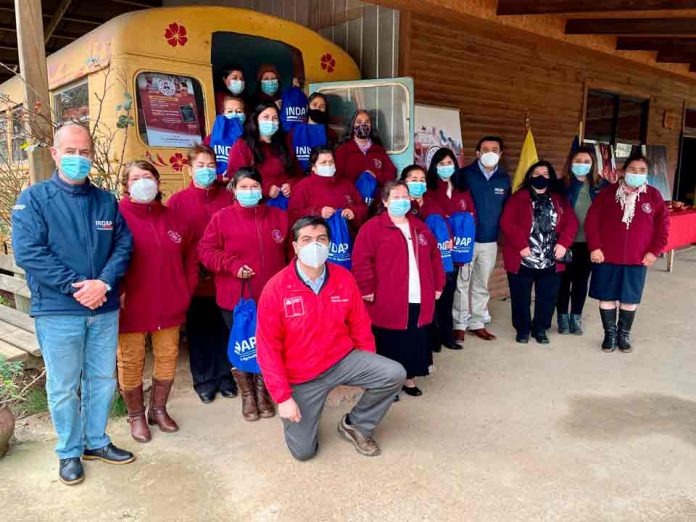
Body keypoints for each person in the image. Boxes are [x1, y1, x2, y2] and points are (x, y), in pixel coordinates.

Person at [12, 123, 134, 486]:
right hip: (59, 309)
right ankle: (68, 451)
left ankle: (96, 441)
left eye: (84, 153)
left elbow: (123, 246)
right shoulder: (34, 199)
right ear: (55, 154)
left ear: (92, 155)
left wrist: (104, 283)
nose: (78, 159)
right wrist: (76, 286)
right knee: (64, 385)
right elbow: (29, 252)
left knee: (100, 377)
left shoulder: (105, 201)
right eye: (71, 152)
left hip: (103, 307)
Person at [256, 216, 406, 461]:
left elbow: (359, 324)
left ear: (329, 244)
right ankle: (304, 411)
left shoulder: (343, 278)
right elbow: (268, 349)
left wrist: (367, 369)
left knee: (393, 373)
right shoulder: (276, 288)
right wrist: (283, 398)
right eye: (307, 240)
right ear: (295, 246)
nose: (314, 245)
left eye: (321, 239)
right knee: (304, 452)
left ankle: (356, 424)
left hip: (341, 360)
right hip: (301, 376)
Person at [198, 167, 288, 421]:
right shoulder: (222, 218)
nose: (250, 192)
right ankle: (247, 395)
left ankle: (262, 392)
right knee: (243, 344)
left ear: (262, 190)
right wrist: (232, 265)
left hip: (271, 297)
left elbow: (290, 253)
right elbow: (206, 251)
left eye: (254, 187)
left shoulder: (278, 217)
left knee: (269, 345)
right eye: (244, 187)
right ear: (234, 190)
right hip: (236, 297)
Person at [117, 161, 198, 443]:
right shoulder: (117, 216)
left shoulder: (173, 218)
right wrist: (118, 289)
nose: (142, 182)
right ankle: (136, 415)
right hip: (132, 304)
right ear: (126, 185)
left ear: (158, 182)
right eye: (135, 178)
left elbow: (190, 257)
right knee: (131, 360)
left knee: (167, 356)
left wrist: (186, 290)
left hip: (170, 301)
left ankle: (158, 409)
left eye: (147, 176)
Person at [352, 181, 445, 396]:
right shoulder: (372, 228)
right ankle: (387, 385)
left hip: (418, 295)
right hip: (387, 297)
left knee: (414, 338)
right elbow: (361, 260)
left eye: (405, 196)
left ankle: (408, 378)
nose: (402, 201)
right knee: (389, 341)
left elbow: (434, 257)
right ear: (385, 201)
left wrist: (438, 284)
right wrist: (366, 288)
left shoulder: (419, 227)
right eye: (396, 197)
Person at [168, 144, 236, 404]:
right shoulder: (178, 202)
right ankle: (204, 379)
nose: (206, 170)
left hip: (225, 276)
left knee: (225, 329)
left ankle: (226, 376)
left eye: (211, 165)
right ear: (189, 169)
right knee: (200, 330)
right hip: (196, 278)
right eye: (200, 166)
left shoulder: (227, 198)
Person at [585, 154, 669, 353]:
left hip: (637, 258)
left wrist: (653, 252)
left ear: (647, 173)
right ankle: (610, 335)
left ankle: (623, 335)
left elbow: (663, 228)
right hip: (606, 256)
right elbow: (592, 221)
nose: (637, 174)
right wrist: (595, 247)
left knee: (629, 299)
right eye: (632, 169)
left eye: (642, 171)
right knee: (606, 296)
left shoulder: (654, 196)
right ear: (624, 171)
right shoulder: (607, 193)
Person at [500, 161, 578, 344]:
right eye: (536, 173)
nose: (541, 177)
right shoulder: (518, 197)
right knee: (520, 296)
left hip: (551, 258)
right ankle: (523, 329)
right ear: (529, 177)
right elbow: (506, 222)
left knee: (547, 298)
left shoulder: (559, 199)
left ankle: (540, 328)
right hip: (523, 257)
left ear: (551, 177)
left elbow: (571, 223)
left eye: (545, 173)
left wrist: (564, 244)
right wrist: (521, 244)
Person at [452, 136, 511, 341]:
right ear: (477, 153)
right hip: (466, 241)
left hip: (490, 240)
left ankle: (477, 322)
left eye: (494, 149)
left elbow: (507, 210)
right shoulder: (464, 175)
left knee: (481, 284)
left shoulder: (504, 179)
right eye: (485, 149)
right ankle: (459, 323)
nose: (490, 153)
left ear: (500, 154)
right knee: (462, 282)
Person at [424, 149, 476, 349]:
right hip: (437, 251)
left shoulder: (462, 189)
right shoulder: (428, 189)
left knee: (448, 296)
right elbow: (431, 218)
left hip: (457, 253)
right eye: (441, 163)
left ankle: (447, 335)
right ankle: (433, 339)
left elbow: (471, 217)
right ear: (434, 166)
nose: (446, 167)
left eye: (449, 162)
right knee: (434, 296)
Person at [556, 146, 605, 336]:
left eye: (586, 162)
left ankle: (576, 317)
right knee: (562, 281)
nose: (582, 165)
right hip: (564, 242)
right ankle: (562, 317)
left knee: (580, 281)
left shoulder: (601, 186)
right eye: (578, 161)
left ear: (593, 165)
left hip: (589, 244)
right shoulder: (561, 185)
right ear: (571, 162)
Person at [226, 102, 295, 202]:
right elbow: (235, 176)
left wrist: (291, 185)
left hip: (285, 201)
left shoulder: (285, 141)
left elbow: (297, 173)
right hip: (256, 202)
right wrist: (265, 189)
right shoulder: (242, 144)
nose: (270, 122)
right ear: (256, 119)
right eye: (266, 117)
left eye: (275, 118)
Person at [288, 146, 368, 226]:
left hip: (346, 234)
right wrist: (318, 213)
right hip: (316, 234)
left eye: (331, 162)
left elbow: (363, 208)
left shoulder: (346, 184)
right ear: (313, 167)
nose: (328, 165)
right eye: (324, 162)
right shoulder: (303, 186)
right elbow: (293, 214)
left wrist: (353, 213)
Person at [335, 110, 397, 186]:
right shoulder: (343, 150)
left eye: (367, 122)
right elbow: (337, 177)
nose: (363, 125)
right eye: (359, 122)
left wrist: (376, 176)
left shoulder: (379, 150)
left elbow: (392, 174)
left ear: (371, 126)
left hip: (375, 196)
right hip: (351, 195)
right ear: (353, 126)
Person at [289, 92, 340, 175]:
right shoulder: (294, 131)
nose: (318, 108)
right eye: (315, 105)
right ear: (308, 107)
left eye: (322, 106)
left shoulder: (331, 134)